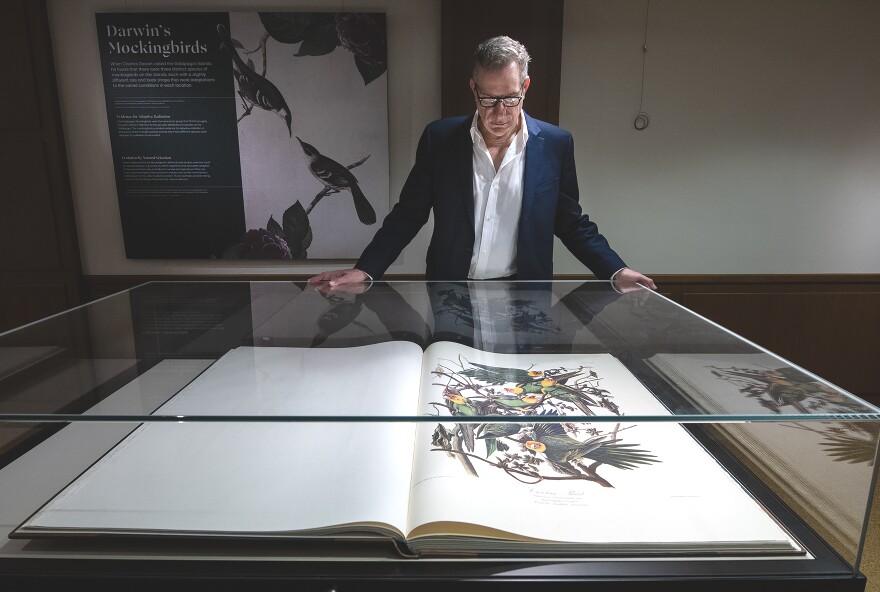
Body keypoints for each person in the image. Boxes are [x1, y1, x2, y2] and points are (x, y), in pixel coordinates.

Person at [309, 36, 656, 292]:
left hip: (526, 293)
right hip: (450, 289)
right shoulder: (439, 139)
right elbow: (407, 215)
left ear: (525, 87)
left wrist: (615, 270)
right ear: (473, 89)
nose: (499, 112)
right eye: (488, 99)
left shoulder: (556, 144)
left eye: (510, 98)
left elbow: (571, 221)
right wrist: (365, 270)